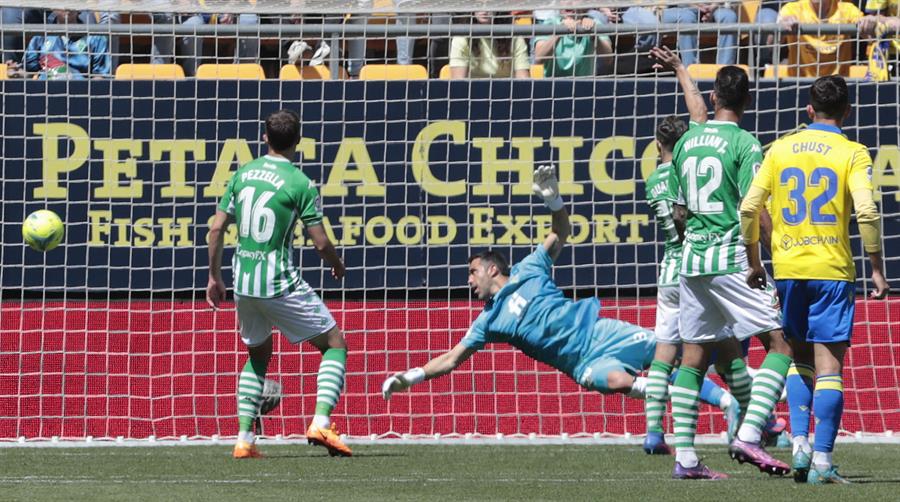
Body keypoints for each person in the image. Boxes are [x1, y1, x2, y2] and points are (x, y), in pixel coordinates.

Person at [381, 165, 737, 445]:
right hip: (581, 362)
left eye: (473, 272)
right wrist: (410, 377)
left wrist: (554, 202)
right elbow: (452, 358)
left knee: (672, 352)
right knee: (617, 381)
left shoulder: (530, 268)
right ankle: (714, 402)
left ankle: (736, 400)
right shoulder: (487, 321)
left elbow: (560, 232)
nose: (469, 280)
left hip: (601, 331)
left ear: (493, 269)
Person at [739, 75, 890, 484]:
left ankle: (800, 444)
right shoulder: (852, 151)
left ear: (808, 110)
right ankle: (822, 460)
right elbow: (868, 212)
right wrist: (877, 267)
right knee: (829, 368)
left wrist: (756, 262)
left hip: (788, 270)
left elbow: (750, 207)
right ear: (848, 111)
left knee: (799, 360)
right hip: (832, 271)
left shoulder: (780, 148)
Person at [667, 64, 794, 480]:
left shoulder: (685, 141)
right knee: (780, 344)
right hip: (731, 258)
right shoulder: (746, 143)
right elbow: (751, 209)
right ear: (748, 101)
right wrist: (764, 259)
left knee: (693, 359)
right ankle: (752, 432)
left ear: (716, 97)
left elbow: (679, 210)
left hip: (692, 262)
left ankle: (685, 458)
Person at [207, 109, 351, 459]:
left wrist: (214, 276)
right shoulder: (300, 182)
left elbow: (216, 229)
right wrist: (337, 264)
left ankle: (244, 440)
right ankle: (320, 421)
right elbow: (319, 242)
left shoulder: (243, 173)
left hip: (243, 282)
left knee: (257, 355)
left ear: (265, 137)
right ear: (298, 141)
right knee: (334, 343)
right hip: (278, 283)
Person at [642, 46, 743, 455]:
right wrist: (683, 71)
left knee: (664, 356)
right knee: (724, 353)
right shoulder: (693, 154)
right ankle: (758, 420)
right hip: (702, 261)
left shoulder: (653, 181)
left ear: (655, 145)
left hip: (669, 269)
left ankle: (653, 432)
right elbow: (700, 119)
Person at [619, 3, 738, 67]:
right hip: (684, 7)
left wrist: (712, 7)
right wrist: (695, 6)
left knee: (729, 17)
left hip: (714, 6)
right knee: (687, 16)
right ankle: (691, 69)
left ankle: (726, 71)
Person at [7, 9, 110, 80]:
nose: (68, 5)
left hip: (79, 96)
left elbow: (100, 77)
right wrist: (17, 74)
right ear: (53, 7)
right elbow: (29, 73)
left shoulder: (96, 38)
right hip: (45, 95)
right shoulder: (40, 37)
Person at [777, 0, 868, 77]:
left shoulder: (846, 10)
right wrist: (781, 28)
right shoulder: (792, 9)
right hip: (799, 84)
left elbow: (867, 33)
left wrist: (869, 22)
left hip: (836, 86)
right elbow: (772, 43)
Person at [449, 11, 530, 79]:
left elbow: (523, 82)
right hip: (472, 94)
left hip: (506, 94)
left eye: (490, 2)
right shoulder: (461, 37)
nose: (484, 10)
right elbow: (458, 83)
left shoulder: (514, 37)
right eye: (479, 4)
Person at [533, 9, 610, 77]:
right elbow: (538, 59)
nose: (569, 2)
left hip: (585, 85)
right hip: (553, 85)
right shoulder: (550, 23)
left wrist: (594, 36)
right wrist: (559, 32)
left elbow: (608, 59)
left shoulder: (594, 22)